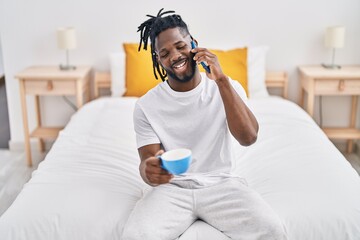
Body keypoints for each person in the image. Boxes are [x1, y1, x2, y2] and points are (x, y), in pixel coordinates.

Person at [121, 8, 287, 240]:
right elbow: (147, 163)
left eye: (181, 46)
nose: (175, 55)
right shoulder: (146, 106)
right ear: (158, 60)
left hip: (222, 185)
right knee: (135, 235)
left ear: (194, 44)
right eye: (165, 53)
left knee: (273, 230)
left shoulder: (227, 87)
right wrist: (149, 170)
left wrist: (221, 80)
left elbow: (249, 137)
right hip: (171, 189)